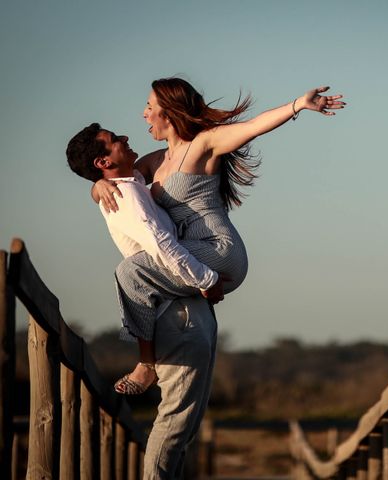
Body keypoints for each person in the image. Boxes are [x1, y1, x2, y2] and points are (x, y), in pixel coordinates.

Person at [91, 78, 346, 393]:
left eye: (149, 106)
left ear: (168, 112)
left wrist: (298, 104)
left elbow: (253, 126)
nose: (144, 114)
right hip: (190, 250)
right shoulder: (153, 162)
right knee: (143, 266)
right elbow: (118, 179)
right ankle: (158, 356)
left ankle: (147, 364)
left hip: (219, 250)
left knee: (132, 270)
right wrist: (96, 186)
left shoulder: (203, 145)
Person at [66, 125, 222, 477]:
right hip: (177, 313)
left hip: (186, 311)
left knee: (184, 427)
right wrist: (207, 279)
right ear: (103, 159)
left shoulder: (130, 184)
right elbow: (163, 247)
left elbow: (164, 161)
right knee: (174, 426)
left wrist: (95, 185)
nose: (124, 136)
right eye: (114, 139)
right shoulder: (127, 197)